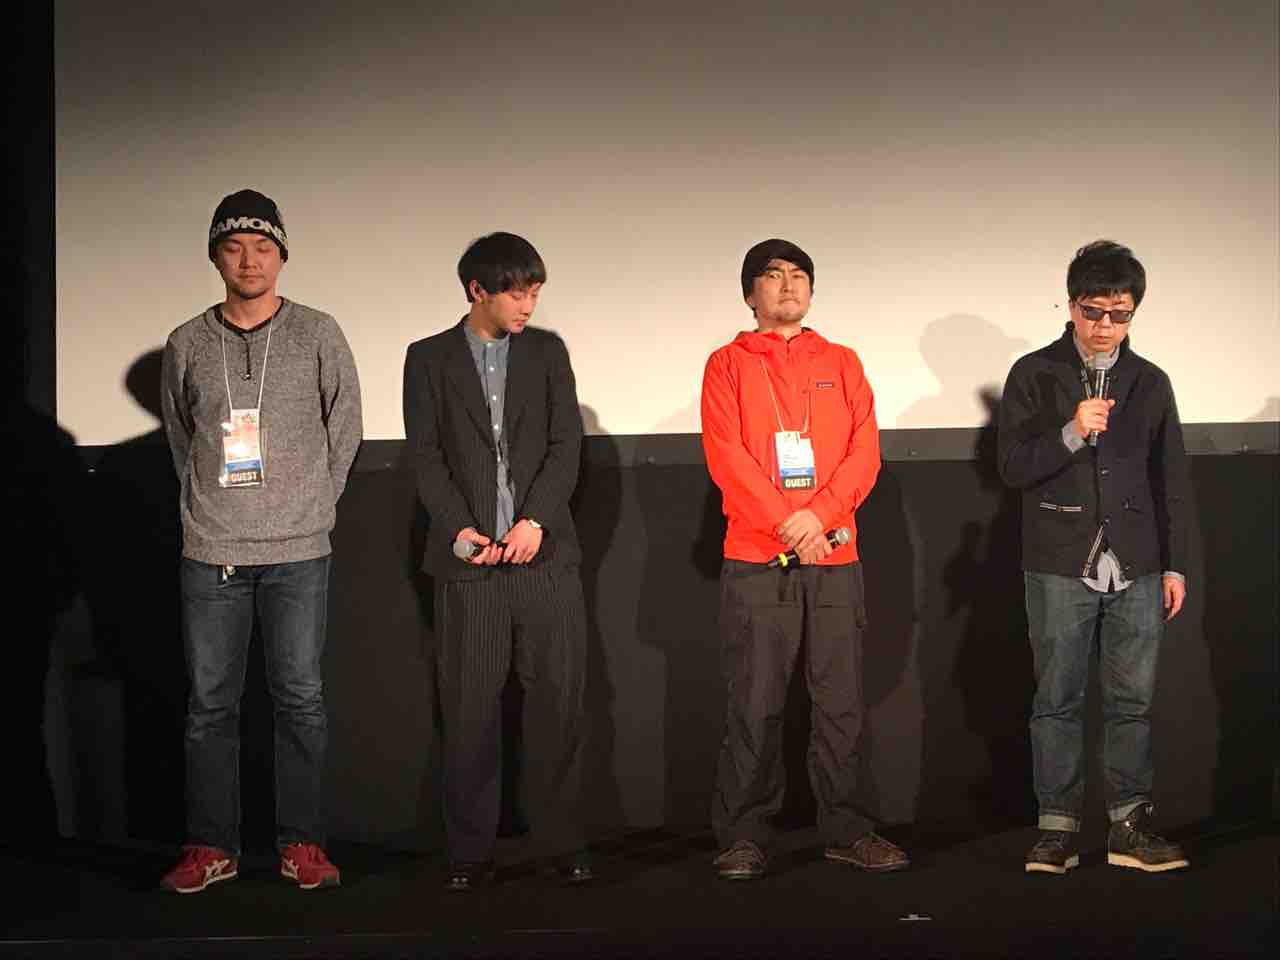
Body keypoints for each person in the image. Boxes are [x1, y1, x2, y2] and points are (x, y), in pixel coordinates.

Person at [159, 189, 362, 892]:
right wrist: (209, 506)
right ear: (216, 257)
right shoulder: (187, 342)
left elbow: (346, 425)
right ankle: (210, 846)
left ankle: (301, 843)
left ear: (281, 256)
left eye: (263, 247)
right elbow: (181, 435)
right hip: (211, 548)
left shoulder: (318, 332)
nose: (249, 260)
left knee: (300, 699)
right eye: (234, 247)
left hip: (298, 550)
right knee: (209, 705)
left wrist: (315, 501)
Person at [699, 238, 909, 880]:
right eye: (772, 275)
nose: (788, 284)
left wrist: (818, 518)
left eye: (799, 275)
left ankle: (848, 829)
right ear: (750, 293)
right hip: (758, 558)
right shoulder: (727, 364)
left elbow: (864, 453)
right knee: (754, 701)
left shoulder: (842, 362)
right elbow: (727, 457)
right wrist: (789, 524)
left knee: (840, 702)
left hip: (835, 556)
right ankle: (743, 836)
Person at [403, 232, 592, 890]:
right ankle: (469, 852)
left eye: (534, 292)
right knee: (469, 710)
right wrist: (459, 528)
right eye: (516, 292)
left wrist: (536, 520)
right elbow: (426, 455)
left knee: (558, 706)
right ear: (476, 290)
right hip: (469, 565)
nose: (527, 305)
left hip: (546, 559)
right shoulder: (427, 358)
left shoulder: (547, 352)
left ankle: (561, 841)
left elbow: (566, 445)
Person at [998, 240, 1191, 874]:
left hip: (1137, 562)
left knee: (1132, 702)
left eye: (1120, 313)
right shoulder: (1034, 373)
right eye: (1094, 311)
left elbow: (1170, 479)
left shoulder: (1151, 381)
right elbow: (1012, 467)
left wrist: (1174, 565)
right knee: (1057, 699)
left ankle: (1129, 827)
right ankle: (1056, 830)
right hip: (1059, 560)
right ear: (1071, 305)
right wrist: (1072, 431)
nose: (1106, 325)